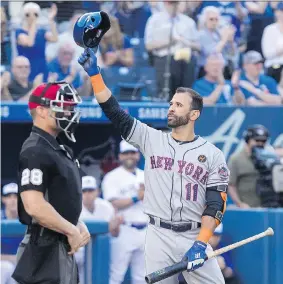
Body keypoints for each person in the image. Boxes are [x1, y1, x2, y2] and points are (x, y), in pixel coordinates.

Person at [78, 47, 230, 283]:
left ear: (194, 115)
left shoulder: (213, 154)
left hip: (194, 234)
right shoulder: (151, 138)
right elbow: (114, 111)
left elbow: (215, 205)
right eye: (171, 103)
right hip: (158, 234)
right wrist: (95, 75)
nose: (171, 108)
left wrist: (201, 243)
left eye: (179, 105)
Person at [11, 81, 90, 284]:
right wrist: (71, 229)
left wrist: (76, 223)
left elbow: (58, 199)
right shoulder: (35, 149)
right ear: (42, 111)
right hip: (44, 247)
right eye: (62, 106)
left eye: (70, 107)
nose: (69, 112)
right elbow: (34, 206)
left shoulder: (57, 148)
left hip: (60, 244)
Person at [101, 140, 147, 284]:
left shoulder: (145, 175)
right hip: (123, 229)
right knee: (116, 275)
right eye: (126, 153)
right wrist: (136, 197)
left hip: (145, 229)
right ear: (120, 156)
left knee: (142, 277)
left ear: (138, 155)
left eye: (132, 153)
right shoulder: (112, 177)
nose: (129, 156)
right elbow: (112, 203)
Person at [145, 1, 200, 100]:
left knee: (186, 95)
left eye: (176, 3)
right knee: (168, 93)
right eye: (171, 3)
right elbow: (149, 45)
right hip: (164, 59)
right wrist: (169, 42)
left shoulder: (188, 21)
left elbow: (198, 46)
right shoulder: (155, 20)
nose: (174, 5)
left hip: (185, 60)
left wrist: (186, 42)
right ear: (165, 3)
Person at [76, 175, 123, 284]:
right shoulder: (74, 207)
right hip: (80, 251)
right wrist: (107, 227)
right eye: (84, 191)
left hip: (102, 251)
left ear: (97, 191)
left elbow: (115, 234)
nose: (87, 194)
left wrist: (116, 225)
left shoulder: (106, 206)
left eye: (91, 190)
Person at [228, 125, 269, 208]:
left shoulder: (269, 158)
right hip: (247, 208)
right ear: (248, 140)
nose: (260, 143)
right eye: (257, 140)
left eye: (263, 141)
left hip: (266, 207)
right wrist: (239, 203)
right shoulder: (236, 159)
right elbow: (230, 185)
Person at [15, 2, 58, 81]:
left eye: (35, 14)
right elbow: (30, 43)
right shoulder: (19, 32)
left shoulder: (41, 32)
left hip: (41, 66)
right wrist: (34, 22)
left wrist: (51, 20)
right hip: (26, 68)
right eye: (28, 14)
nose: (31, 17)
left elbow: (55, 39)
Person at [198, 6, 239, 79]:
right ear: (204, 20)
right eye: (211, 19)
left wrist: (231, 41)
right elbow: (211, 54)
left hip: (223, 69)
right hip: (207, 71)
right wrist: (224, 40)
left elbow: (232, 54)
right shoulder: (201, 34)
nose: (214, 22)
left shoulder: (219, 33)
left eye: (216, 19)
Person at [1, 183, 20, 284]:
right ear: (3, 199)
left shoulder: (29, 219)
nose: (12, 200)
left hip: (24, 264)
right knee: (5, 267)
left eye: (16, 196)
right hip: (4, 264)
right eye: (8, 196)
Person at [261, 2, 283, 83]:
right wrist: (280, 50)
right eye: (281, 11)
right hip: (274, 67)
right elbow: (267, 54)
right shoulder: (270, 30)